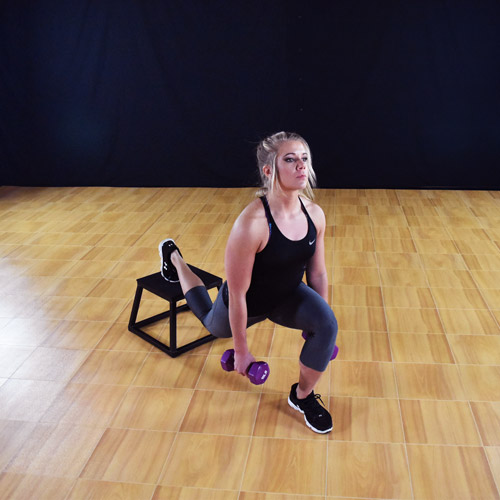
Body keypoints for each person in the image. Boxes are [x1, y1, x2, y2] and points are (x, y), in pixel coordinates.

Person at [159, 131, 338, 434]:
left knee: (329, 325)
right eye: (290, 159)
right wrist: (241, 350)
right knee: (211, 323)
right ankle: (174, 257)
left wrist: (320, 321)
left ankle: (302, 396)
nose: (301, 167)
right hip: (247, 301)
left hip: (287, 296)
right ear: (269, 170)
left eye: (304, 159)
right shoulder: (251, 223)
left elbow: (317, 274)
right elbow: (239, 293)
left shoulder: (314, 215)